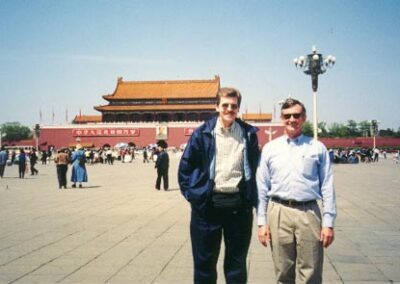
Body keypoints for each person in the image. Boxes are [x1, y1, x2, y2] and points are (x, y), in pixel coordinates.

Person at [178, 87, 260, 284]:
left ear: (238, 108)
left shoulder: (248, 134)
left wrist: (252, 200)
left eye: (233, 106)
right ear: (217, 107)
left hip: (238, 208)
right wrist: (196, 197)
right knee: (204, 265)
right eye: (225, 105)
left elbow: (256, 169)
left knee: (237, 264)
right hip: (207, 208)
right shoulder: (202, 133)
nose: (229, 109)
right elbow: (184, 170)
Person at [256, 98, 337, 284]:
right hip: (278, 212)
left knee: (311, 271)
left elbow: (327, 187)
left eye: (296, 115)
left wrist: (328, 222)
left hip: (308, 212)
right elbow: (262, 187)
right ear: (281, 118)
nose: (292, 119)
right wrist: (262, 222)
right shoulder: (270, 149)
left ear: (304, 118)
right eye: (287, 116)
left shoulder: (317, 148)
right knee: (283, 271)